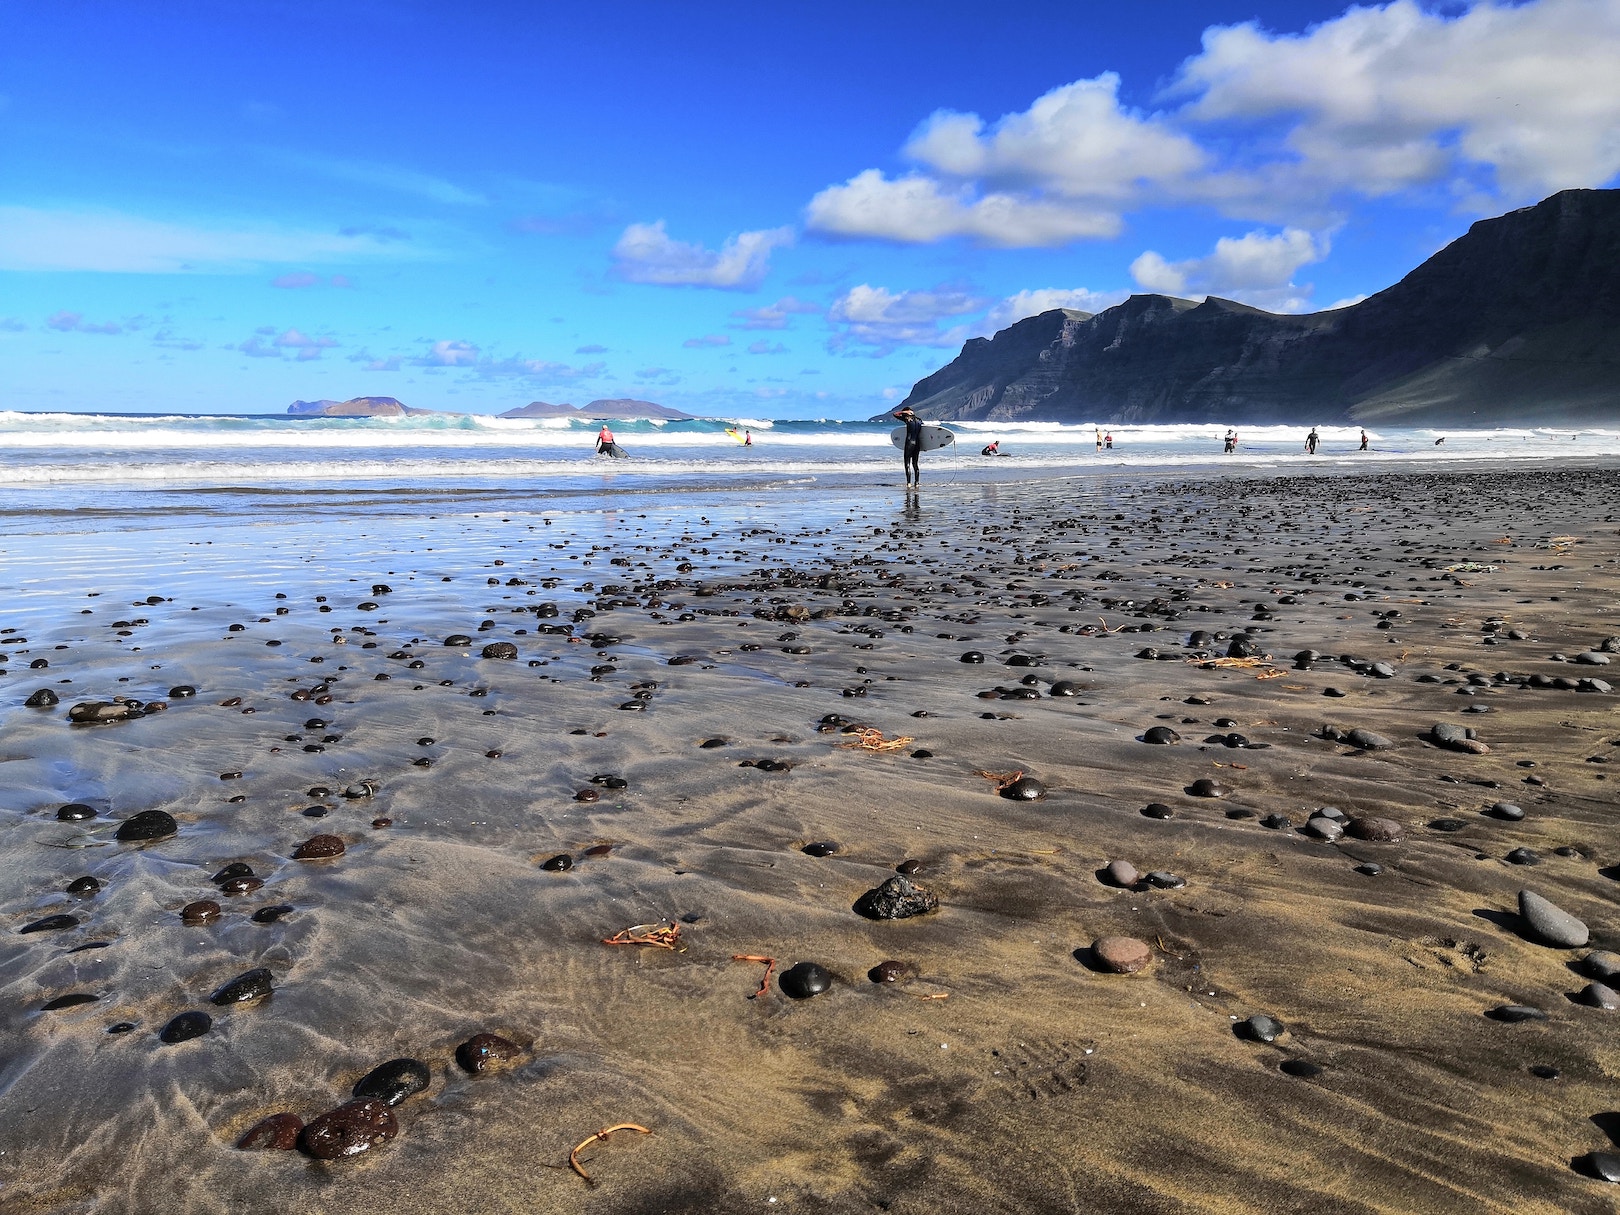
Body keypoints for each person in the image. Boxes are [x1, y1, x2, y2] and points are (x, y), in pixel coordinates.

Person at [894, 406, 924, 486]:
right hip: (917, 444)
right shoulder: (919, 420)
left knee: (907, 464)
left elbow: (895, 414)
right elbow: (925, 433)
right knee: (915, 464)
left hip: (909, 443)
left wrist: (904, 413)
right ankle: (917, 483)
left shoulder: (907, 419)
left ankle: (909, 483)